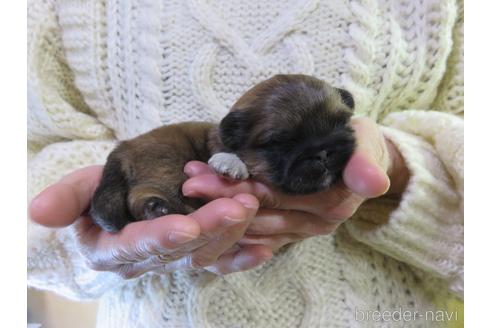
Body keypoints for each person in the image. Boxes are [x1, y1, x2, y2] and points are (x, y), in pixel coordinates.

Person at [27, 0, 463, 326]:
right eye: (282, 143)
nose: (324, 153)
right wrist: (74, 233)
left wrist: (404, 174)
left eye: (338, 129)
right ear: (234, 138)